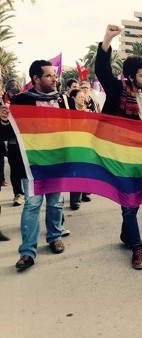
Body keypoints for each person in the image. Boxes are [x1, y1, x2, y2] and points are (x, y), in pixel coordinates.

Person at [0, 60, 75, 270]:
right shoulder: (21, 100)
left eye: (54, 75)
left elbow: (71, 129)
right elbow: (7, 134)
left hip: (57, 161)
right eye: (49, 76)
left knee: (55, 203)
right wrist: (4, 120)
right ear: (36, 79)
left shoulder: (63, 100)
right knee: (32, 205)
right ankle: (27, 252)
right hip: (32, 165)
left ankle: (54, 237)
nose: (54, 79)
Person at [95, 24, 142, 270]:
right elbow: (101, 69)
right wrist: (107, 39)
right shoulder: (116, 90)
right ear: (131, 76)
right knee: (129, 202)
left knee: (135, 201)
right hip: (119, 155)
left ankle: (126, 232)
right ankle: (137, 249)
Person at [68, 88, 93, 210]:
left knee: (86, 170)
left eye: (83, 97)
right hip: (74, 145)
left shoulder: (88, 111)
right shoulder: (68, 112)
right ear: (73, 98)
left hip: (86, 144)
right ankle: (75, 200)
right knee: (76, 172)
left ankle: (85, 192)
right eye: (79, 97)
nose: (82, 99)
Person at [2, 80, 25, 206]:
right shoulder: (2, 103)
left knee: (25, 168)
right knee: (14, 168)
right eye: (12, 93)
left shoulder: (24, 100)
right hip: (11, 140)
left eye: (17, 92)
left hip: (24, 140)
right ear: (7, 91)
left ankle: (26, 191)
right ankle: (18, 194)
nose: (15, 95)